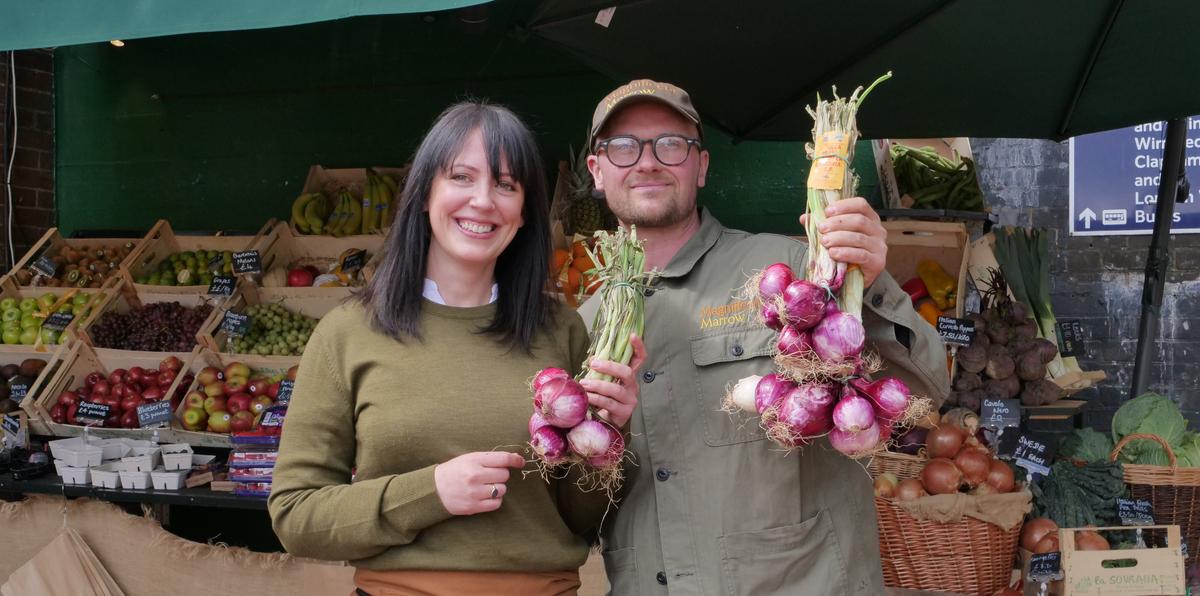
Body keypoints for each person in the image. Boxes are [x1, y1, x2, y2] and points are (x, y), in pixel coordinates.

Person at [579, 80, 950, 595]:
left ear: (701, 166)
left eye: (671, 144)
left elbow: (923, 390)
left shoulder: (793, 271)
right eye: (623, 146)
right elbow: (578, 499)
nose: (647, 162)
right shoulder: (586, 325)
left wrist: (872, 281)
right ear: (597, 171)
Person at [268, 101, 646, 596]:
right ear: (425, 193)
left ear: (524, 214)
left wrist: (612, 435)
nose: (483, 200)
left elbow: (581, 519)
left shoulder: (562, 330)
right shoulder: (347, 333)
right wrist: (429, 493)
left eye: (506, 185)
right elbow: (296, 517)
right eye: (462, 177)